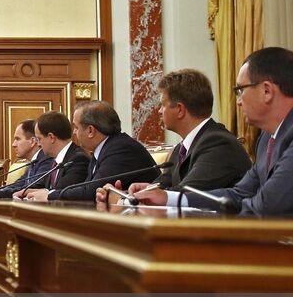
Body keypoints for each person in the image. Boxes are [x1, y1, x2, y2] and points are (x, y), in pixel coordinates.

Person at [126, 48, 293, 215]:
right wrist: (168, 198)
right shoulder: (268, 137)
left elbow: (271, 205)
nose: (238, 100)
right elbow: (241, 193)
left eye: (240, 90)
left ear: (266, 90)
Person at [96, 69, 250, 206]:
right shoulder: (182, 148)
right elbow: (161, 187)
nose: (159, 111)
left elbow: (185, 194)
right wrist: (127, 194)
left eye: (163, 105)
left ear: (180, 109)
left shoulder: (218, 144)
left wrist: (122, 201)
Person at [22, 101, 155, 202]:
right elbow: (84, 188)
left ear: (90, 131)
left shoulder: (120, 149)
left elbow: (90, 192)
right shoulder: (102, 150)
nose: (74, 132)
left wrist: (48, 195)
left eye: (76, 127)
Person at [14, 111, 91, 200]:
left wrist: (44, 193)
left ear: (51, 137)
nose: (38, 144)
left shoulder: (78, 159)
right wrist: (29, 191)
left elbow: (62, 191)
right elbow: (42, 186)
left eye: (39, 139)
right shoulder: (54, 159)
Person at [0, 120, 55, 199]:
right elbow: (18, 185)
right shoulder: (34, 161)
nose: (13, 145)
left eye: (17, 139)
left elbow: (31, 188)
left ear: (32, 141)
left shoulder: (46, 160)